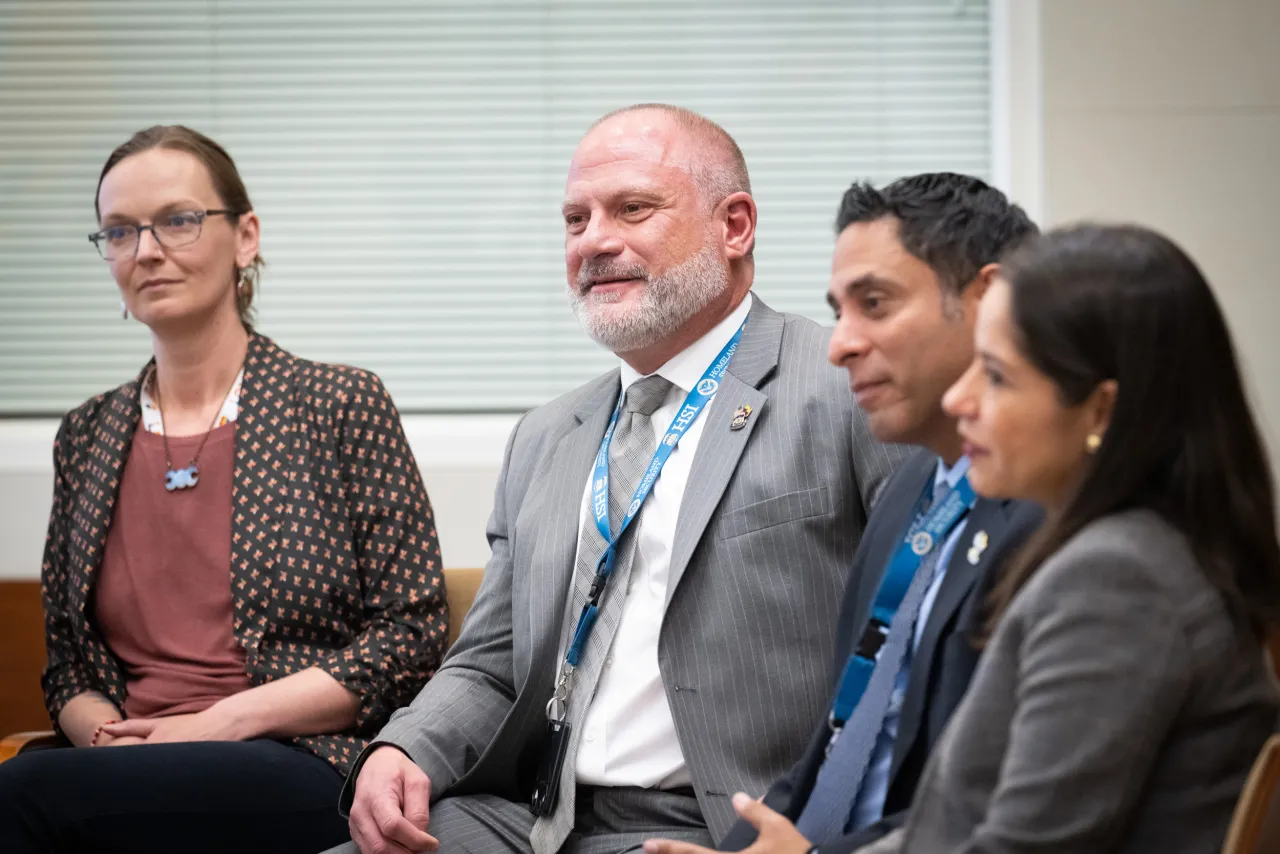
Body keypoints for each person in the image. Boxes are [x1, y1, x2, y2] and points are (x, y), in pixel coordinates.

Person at [331, 104, 907, 854]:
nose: (595, 240)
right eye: (575, 220)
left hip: (729, 829)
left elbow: (911, 653)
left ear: (734, 227)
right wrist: (402, 749)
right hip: (532, 820)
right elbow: (493, 665)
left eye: (632, 209)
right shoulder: (546, 436)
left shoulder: (846, 389)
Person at [0, 125, 448, 854]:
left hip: (294, 758)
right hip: (111, 765)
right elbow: (69, 664)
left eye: (177, 220)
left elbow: (410, 639)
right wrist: (111, 741)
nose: (147, 251)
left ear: (245, 238)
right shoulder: (85, 435)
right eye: (120, 231)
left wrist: (218, 722)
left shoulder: (338, 404)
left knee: (20, 797)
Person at [645, 173, 1042, 854]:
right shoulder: (914, 482)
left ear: (989, 299)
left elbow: (1001, 806)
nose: (839, 345)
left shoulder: (1056, 513)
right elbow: (839, 740)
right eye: (839, 311)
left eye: (876, 304)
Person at [856, 223, 1280, 852]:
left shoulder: (1118, 579)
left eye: (995, 375)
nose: (959, 398)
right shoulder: (1138, 550)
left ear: (1101, 411)